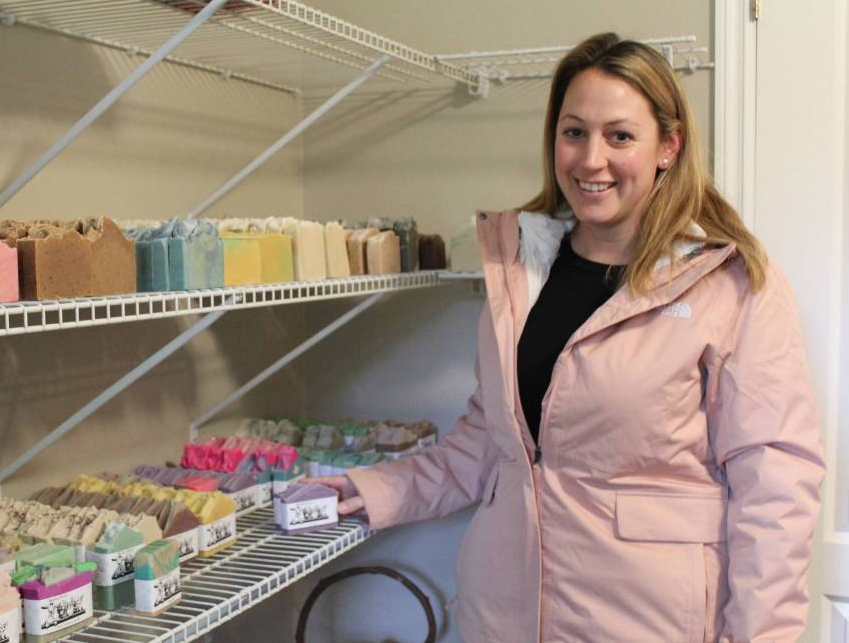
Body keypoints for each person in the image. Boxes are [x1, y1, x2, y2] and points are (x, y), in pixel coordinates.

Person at [305, 33, 825, 643]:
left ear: (669, 146)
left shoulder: (728, 283)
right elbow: (496, 440)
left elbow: (776, 492)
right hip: (507, 613)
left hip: (648, 622)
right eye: (574, 132)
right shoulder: (522, 270)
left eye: (620, 136)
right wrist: (376, 489)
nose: (591, 159)